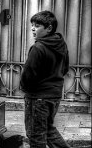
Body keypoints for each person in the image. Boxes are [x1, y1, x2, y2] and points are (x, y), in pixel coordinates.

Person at [20, 10, 70, 148]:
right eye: (32, 25)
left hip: (38, 98)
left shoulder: (38, 47)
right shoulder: (62, 45)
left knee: (35, 136)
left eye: (37, 25)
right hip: (54, 96)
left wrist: (26, 89)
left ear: (49, 28)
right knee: (48, 131)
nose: (32, 28)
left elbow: (28, 75)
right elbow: (65, 68)